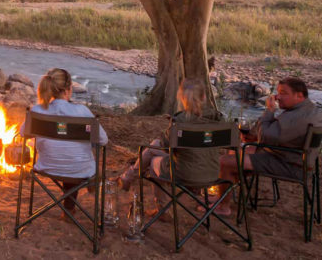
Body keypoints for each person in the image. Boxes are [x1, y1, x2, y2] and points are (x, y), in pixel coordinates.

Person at [117, 79, 222, 212]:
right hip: (212, 172)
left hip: (185, 173)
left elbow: (164, 144)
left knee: (154, 157)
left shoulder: (180, 121)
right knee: (154, 147)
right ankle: (129, 176)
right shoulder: (217, 119)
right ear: (204, 97)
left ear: (182, 98)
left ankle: (161, 208)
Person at [220, 77, 322, 210]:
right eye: (278, 92)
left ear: (299, 95)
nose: (278, 97)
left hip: (289, 165)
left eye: (283, 93)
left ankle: (222, 206)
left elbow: (265, 137)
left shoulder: (298, 116)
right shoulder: (310, 110)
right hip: (294, 158)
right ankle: (224, 195)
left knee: (225, 161)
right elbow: (273, 135)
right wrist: (254, 135)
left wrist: (270, 110)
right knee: (238, 151)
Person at [29, 68, 108, 212]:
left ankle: (69, 209)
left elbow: (23, 134)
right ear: (68, 89)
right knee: (78, 157)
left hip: (47, 166)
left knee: (65, 148)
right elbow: (103, 140)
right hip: (80, 170)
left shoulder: (37, 111)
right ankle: (71, 208)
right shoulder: (82, 112)